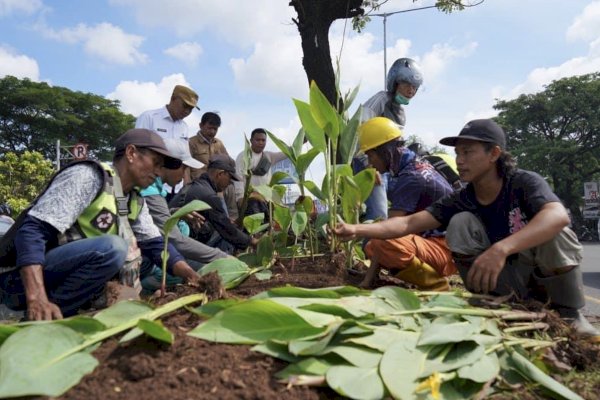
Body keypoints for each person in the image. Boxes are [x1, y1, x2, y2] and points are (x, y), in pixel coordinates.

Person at [335, 119, 599, 338]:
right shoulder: (464, 197)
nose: (459, 160)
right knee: (460, 221)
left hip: (534, 271)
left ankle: (570, 314)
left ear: (494, 154)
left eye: (468, 152)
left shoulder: (523, 182)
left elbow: (558, 216)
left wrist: (501, 248)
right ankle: (494, 303)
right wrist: (356, 229)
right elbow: (408, 223)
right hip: (504, 281)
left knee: (557, 233)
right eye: (458, 153)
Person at [0, 129, 201, 321]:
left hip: (63, 274)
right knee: (113, 248)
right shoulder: (88, 176)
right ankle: (48, 312)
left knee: (141, 257)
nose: (159, 172)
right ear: (131, 153)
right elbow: (31, 232)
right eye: (155, 163)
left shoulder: (134, 199)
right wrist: (37, 298)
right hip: (20, 282)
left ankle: (79, 306)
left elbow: (155, 244)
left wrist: (191, 276)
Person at [357, 117, 456, 290]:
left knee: (382, 242)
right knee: (373, 246)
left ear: (385, 151)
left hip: (445, 248)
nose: (370, 162)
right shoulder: (413, 165)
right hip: (441, 243)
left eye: (371, 155)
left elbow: (388, 232)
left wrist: (366, 281)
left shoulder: (411, 178)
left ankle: (437, 285)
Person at [139, 138, 230, 293]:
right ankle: (143, 289)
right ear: (171, 165)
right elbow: (177, 241)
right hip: (145, 263)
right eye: (184, 168)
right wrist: (223, 257)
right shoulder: (150, 192)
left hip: (147, 257)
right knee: (208, 269)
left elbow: (151, 219)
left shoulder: (155, 190)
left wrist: (177, 214)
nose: (185, 174)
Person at [357, 57, 424, 221]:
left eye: (415, 87)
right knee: (379, 214)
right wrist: (368, 166)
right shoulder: (381, 100)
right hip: (367, 164)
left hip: (387, 169)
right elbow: (358, 132)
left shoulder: (401, 115)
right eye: (407, 84)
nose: (411, 90)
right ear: (395, 82)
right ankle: (371, 245)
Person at [170, 154, 258, 254]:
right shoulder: (209, 195)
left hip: (175, 241)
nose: (230, 183)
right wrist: (253, 242)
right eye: (230, 178)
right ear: (220, 174)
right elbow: (228, 231)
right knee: (224, 236)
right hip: (177, 248)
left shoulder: (197, 185)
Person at [188, 111, 238, 219]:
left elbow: (229, 163)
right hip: (198, 188)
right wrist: (187, 186)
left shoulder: (218, 143)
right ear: (201, 125)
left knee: (223, 216)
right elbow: (186, 166)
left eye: (215, 129)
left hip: (215, 187)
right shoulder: (191, 143)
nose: (212, 132)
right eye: (209, 128)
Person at [234, 128, 286, 219]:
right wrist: (240, 198)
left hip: (266, 200)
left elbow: (286, 153)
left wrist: (302, 142)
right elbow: (238, 178)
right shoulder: (243, 156)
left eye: (263, 140)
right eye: (257, 140)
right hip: (250, 200)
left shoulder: (269, 156)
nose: (261, 143)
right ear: (251, 141)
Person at [135, 85, 200, 141]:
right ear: (173, 98)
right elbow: (138, 147)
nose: (187, 111)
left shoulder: (184, 126)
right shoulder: (149, 117)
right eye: (185, 106)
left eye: (191, 109)